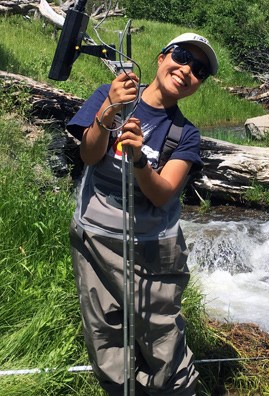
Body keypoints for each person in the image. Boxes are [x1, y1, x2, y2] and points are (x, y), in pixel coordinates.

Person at [67, 32, 218, 396]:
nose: (186, 70)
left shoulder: (186, 134)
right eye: (181, 57)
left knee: (162, 338)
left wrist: (138, 160)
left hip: (152, 249)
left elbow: (163, 194)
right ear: (161, 57)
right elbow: (89, 155)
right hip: (94, 238)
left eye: (198, 70)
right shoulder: (110, 93)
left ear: (197, 85)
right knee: (105, 333)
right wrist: (109, 113)